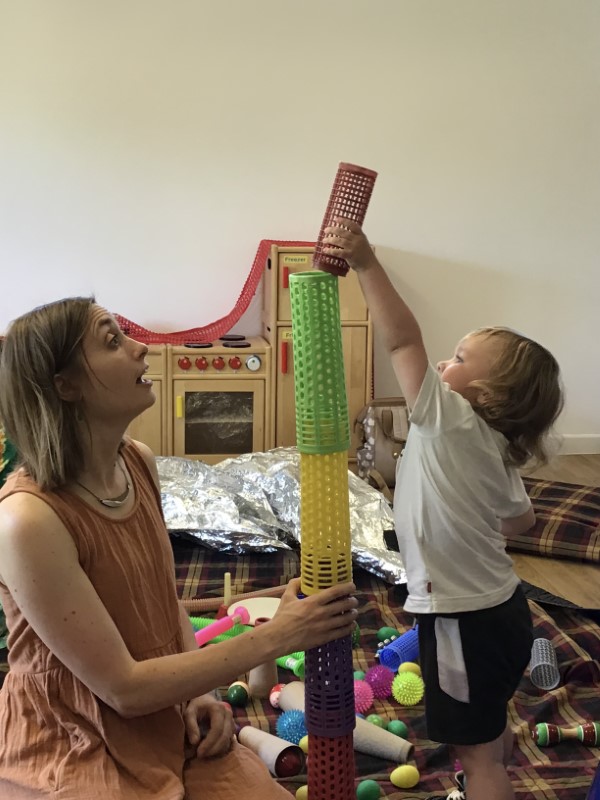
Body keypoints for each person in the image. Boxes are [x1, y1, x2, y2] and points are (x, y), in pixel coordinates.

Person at [0, 297, 358, 800]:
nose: (141, 347)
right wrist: (277, 637)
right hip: (75, 738)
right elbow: (123, 688)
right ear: (66, 386)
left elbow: (164, 604)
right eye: (112, 341)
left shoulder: (138, 463)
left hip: (168, 719)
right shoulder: (26, 520)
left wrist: (197, 693)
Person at [323, 220, 563, 800]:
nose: (439, 366)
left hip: (464, 619)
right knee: (488, 721)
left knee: (477, 755)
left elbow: (402, 340)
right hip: (504, 608)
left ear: (485, 396)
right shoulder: (496, 448)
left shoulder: (448, 416)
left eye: (457, 359)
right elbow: (521, 520)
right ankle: (485, 771)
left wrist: (366, 262)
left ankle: (483, 782)